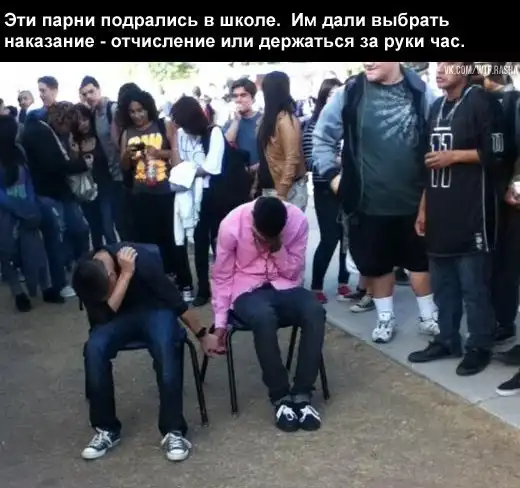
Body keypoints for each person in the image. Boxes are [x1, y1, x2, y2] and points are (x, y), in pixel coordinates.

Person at [313, 62, 439, 344]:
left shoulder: (420, 91)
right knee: (377, 266)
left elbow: (437, 140)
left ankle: (429, 317)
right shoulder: (351, 92)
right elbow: (322, 138)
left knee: (420, 264)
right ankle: (385, 318)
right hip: (368, 205)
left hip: (415, 204)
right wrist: (334, 178)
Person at [72, 242, 220, 461]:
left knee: (166, 346)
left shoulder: (140, 260)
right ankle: (106, 429)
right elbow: (101, 316)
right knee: (94, 348)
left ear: (111, 276)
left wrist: (202, 334)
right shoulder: (86, 273)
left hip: (155, 310)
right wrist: (125, 276)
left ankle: (173, 430)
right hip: (116, 319)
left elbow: (176, 302)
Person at [407, 62, 505, 376]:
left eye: (449, 64)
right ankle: (447, 339)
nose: (440, 70)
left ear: (466, 68)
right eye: (439, 64)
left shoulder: (481, 101)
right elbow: (428, 164)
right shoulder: (436, 107)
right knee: (443, 283)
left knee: (473, 286)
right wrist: (423, 209)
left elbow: (498, 151)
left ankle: (480, 345)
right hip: (439, 209)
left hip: (472, 209)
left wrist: (455, 156)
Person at [211, 197, 325, 432]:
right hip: (246, 289)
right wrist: (220, 321)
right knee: (264, 317)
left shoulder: (297, 222)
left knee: (315, 311)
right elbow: (221, 276)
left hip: (285, 286)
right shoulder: (232, 225)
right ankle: (280, 397)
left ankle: (302, 394)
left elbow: (294, 272)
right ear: (252, 222)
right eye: (261, 239)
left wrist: (278, 248)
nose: (263, 244)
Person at [119, 90, 193, 299]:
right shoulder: (127, 133)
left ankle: (185, 282)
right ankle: (159, 284)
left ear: (148, 108)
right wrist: (128, 155)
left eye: (140, 110)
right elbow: (124, 166)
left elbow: (177, 154)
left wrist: (158, 153)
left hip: (166, 192)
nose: (137, 115)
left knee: (174, 239)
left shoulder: (163, 125)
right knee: (148, 243)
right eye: (132, 111)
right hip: (140, 194)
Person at [22, 101, 90, 298]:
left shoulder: (41, 129)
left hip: (56, 192)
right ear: (63, 121)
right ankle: (60, 283)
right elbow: (53, 165)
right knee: (57, 238)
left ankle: (71, 276)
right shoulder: (40, 132)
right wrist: (82, 164)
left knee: (72, 232)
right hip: (50, 193)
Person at [0, 114, 62, 311]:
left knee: (36, 249)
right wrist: (15, 207)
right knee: (7, 252)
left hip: (27, 207)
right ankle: (19, 293)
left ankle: (46, 288)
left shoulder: (19, 151)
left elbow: (28, 180)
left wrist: (32, 204)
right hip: (5, 212)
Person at [170, 96, 225, 307]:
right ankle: (203, 288)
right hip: (190, 195)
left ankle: (223, 286)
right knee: (199, 244)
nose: (182, 128)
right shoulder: (181, 133)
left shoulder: (214, 132)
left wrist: (187, 172)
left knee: (219, 243)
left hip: (214, 193)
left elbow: (212, 167)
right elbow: (178, 164)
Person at [303, 77, 352, 304]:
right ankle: (316, 285)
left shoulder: (349, 123)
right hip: (325, 188)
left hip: (349, 187)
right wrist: (336, 161)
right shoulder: (314, 126)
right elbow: (310, 162)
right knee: (330, 237)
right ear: (323, 98)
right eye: (331, 95)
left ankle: (344, 281)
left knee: (346, 237)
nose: (336, 99)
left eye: (339, 94)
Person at [79, 76, 124, 241]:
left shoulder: (113, 109)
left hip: (123, 172)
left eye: (92, 91)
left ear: (99, 90)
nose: (89, 96)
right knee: (111, 223)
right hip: (111, 176)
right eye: (85, 94)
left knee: (121, 223)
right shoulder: (93, 114)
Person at [256, 71, 308, 211]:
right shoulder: (267, 119)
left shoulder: (285, 120)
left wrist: (282, 192)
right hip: (270, 188)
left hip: (285, 190)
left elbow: (292, 157)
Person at [69, 103, 117, 249]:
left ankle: (115, 257)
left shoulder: (99, 136)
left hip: (105, 187)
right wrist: (75, 153)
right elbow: (73, 168)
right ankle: (99, 259)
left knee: (108, 227)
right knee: (95, 230)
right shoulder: (74, 143)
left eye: (85, 119)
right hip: (87, 192)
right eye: (78, 122)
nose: (83, 124)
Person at [223, 78, 262, 173]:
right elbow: (226, 144)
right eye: (235, 96)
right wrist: (236, 120)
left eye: (243, 95)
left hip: (262, 174)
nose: (239, 100)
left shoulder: (263, 120)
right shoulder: (230, 123)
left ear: (253, 99)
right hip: (239, 175)